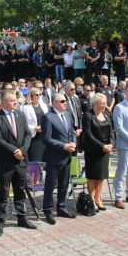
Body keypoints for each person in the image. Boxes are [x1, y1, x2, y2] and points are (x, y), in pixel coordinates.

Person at [0, 89, 36, 236]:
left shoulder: (20, 114)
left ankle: (22, 217)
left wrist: (22, 150)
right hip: (6, 161)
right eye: (12, 101)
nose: (15, 102)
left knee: (20, 190)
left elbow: (28, 135)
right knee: (3, 192)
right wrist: (14, 151)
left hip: (21, 160)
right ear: (4, 102)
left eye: (15, 100)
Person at [41, 93, 78, 225]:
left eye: (66, 101)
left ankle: (61, 207)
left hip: (67, 156)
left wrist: (73, 143)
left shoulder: (67, 114)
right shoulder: (48, 117)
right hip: (54, 157)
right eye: (62, 101)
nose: (65, 103)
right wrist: (64, 146)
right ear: (54, 103)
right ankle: (48, 210)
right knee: (50, 185)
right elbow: (46, 139)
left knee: (64, 184)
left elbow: (72, 132)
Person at [81, 93, 115, 211]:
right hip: (93, 150)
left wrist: (111, 143)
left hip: (105, 150)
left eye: (105, 103)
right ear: (94, 104)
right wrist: (102, 146)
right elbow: (88, 134)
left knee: (101, 176)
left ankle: (98, 198)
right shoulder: (88, 115)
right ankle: (91, 199)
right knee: (92, 176)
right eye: (101, 103)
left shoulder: (106, 113)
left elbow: (111, 130)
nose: (104, 105)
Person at [23, 88, 49, 162]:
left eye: (40, 94)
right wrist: (34, 128)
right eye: (36, 95)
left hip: (43, 136)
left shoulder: (44, 106)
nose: (39, 96)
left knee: (44, 161)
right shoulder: (25, 108)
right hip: (33, 137)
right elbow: (23, 124)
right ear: (31, 96)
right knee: (35, 161)